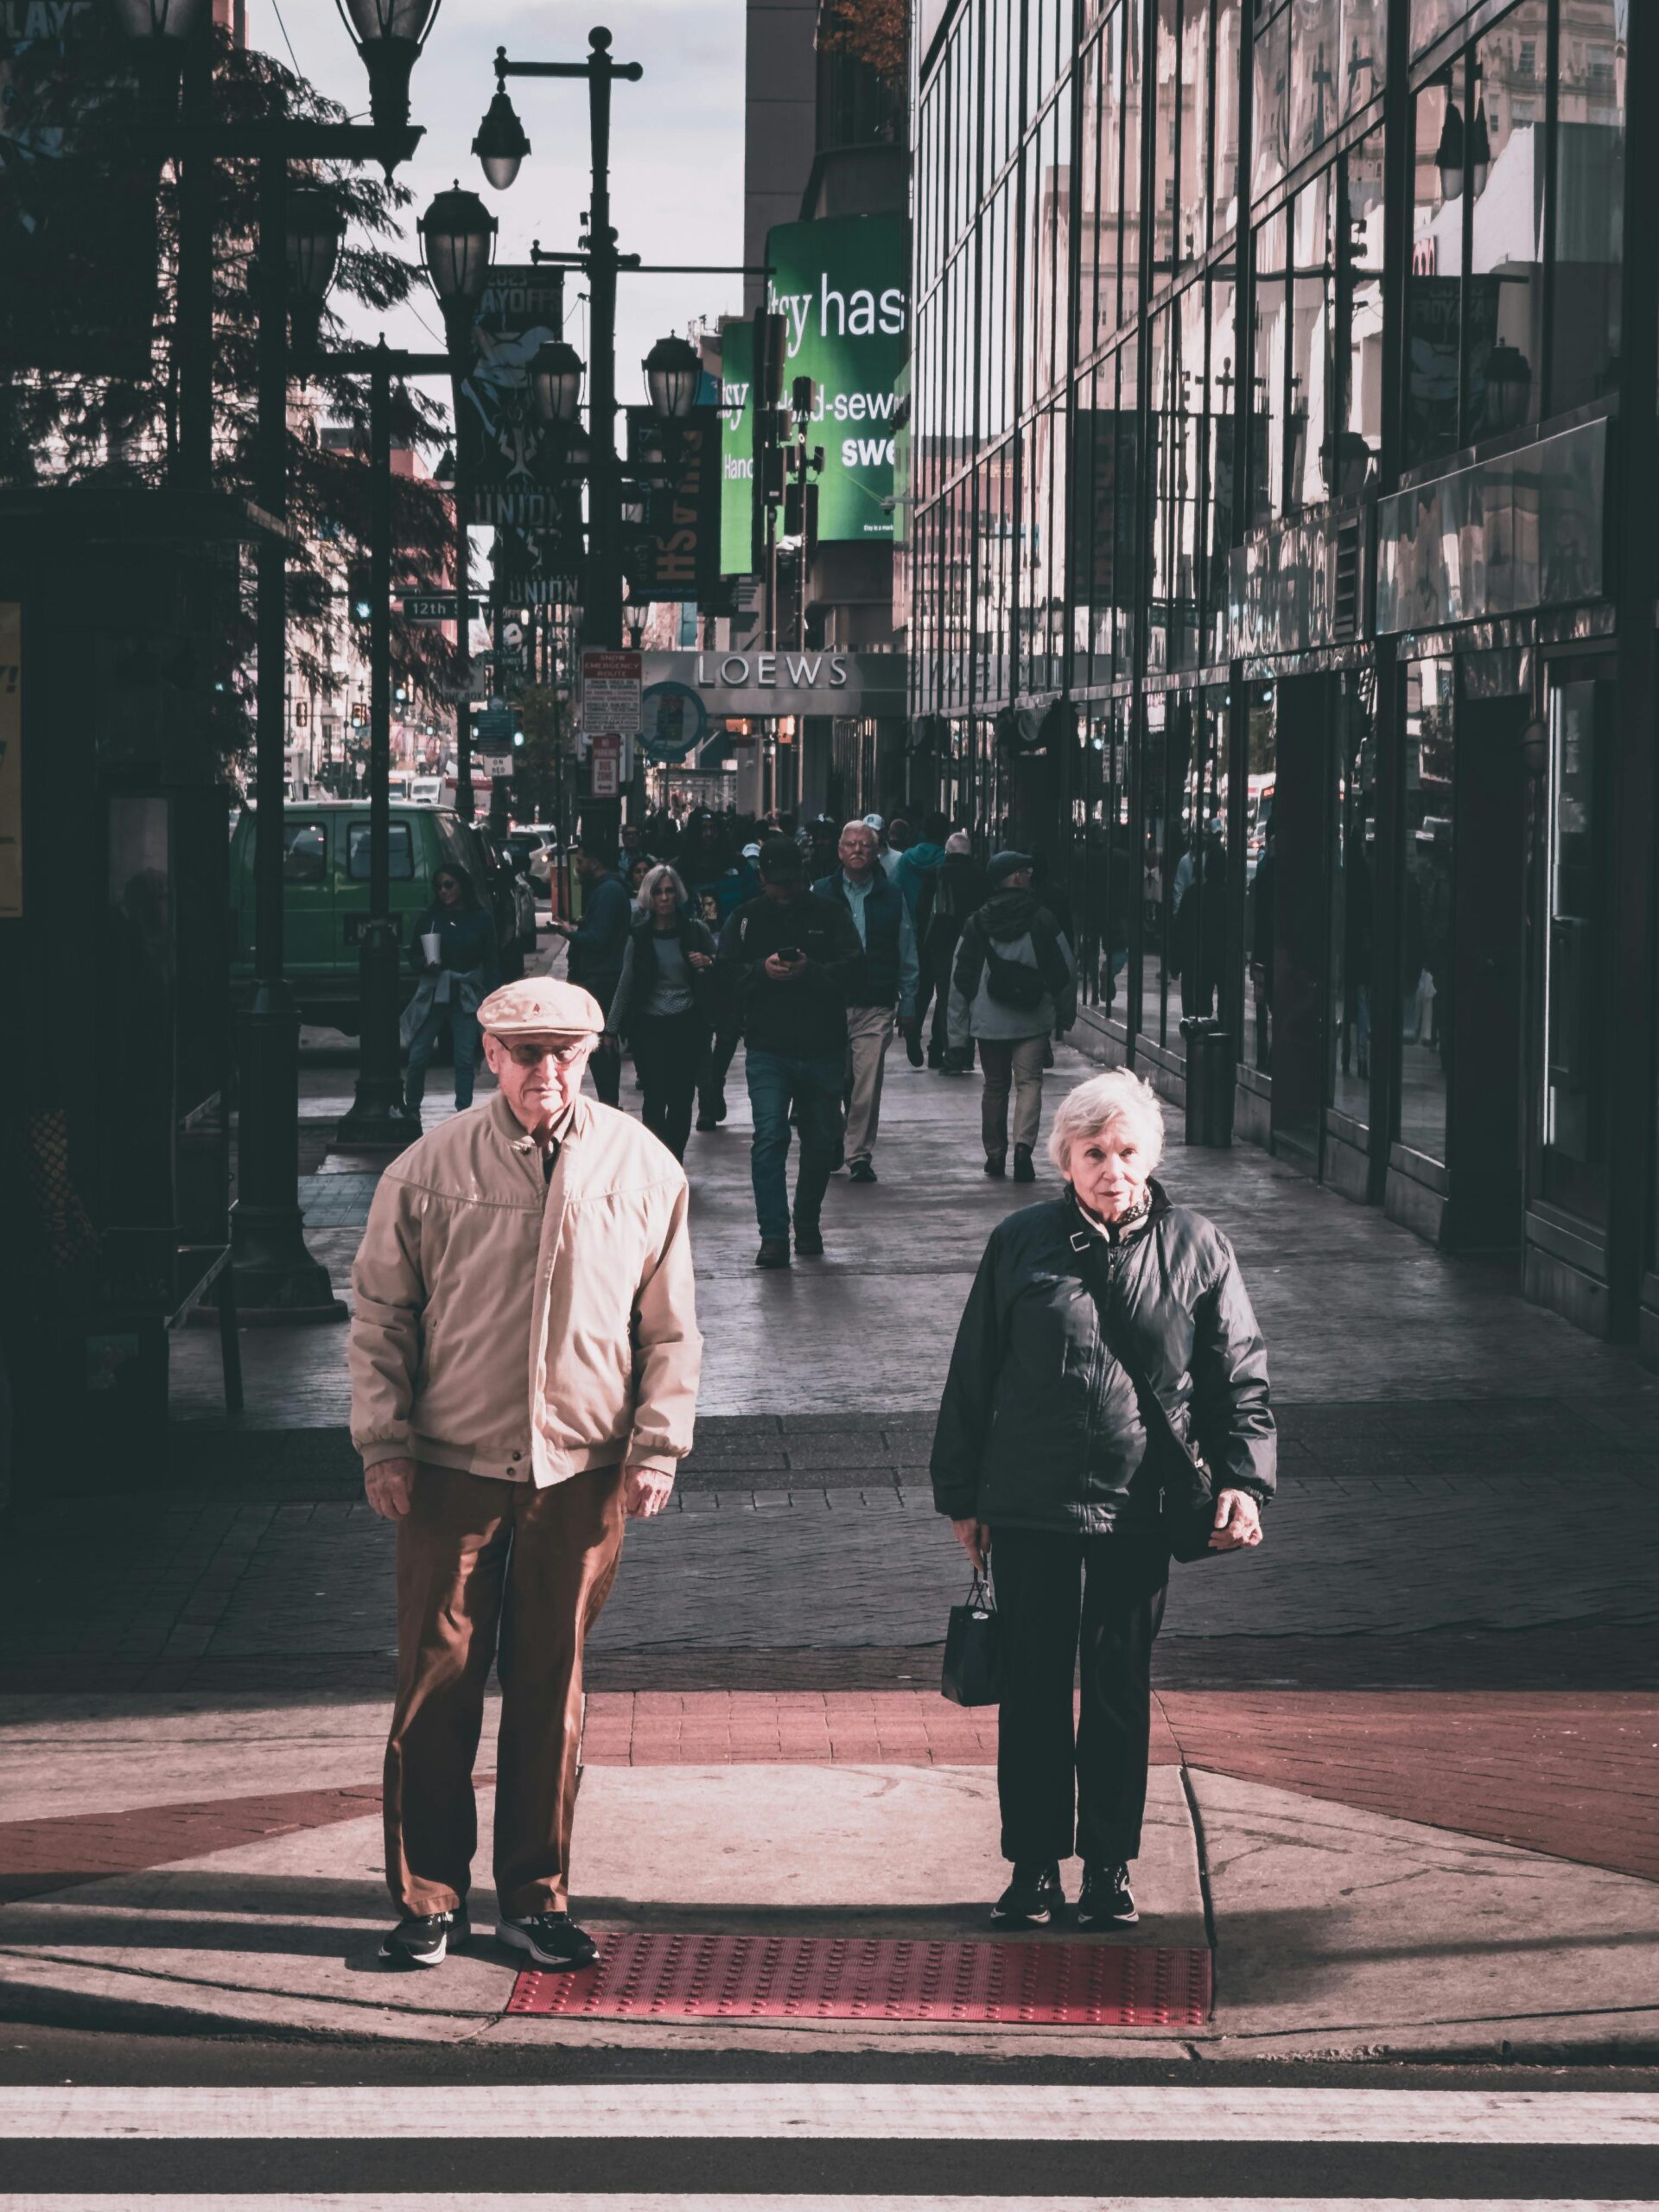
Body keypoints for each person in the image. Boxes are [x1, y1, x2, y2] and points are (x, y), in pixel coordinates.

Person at [352, 977, 702, 1972]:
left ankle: (536, 1898)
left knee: (551, 1685)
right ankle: (429, 1899)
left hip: (582, 1473)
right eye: (526, 1051)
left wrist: (657, 1443)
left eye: (565, 1053)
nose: (546, 1070)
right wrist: (383, 1440)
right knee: (437, 1684)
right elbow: (382, 1315)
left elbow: (670, 1327)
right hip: (449, 1469)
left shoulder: (643, 1167)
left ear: (590, 1057)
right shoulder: (426, 1170)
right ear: (491, 1054)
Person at [930, 1068, 1274, 1931]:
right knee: (1035, 1686)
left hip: (1139, 1505)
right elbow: (972, 1373)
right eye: (1093, 1152)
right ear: (1066, 1159)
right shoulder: (1020, 1242)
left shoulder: (1197, 1246)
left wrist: (1243, 1478)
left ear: (1149, 1157)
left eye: (1126, 1152)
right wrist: (962, 1496)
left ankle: (1110, 1865)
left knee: (1118, 1686)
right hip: (1030, 1504)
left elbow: (1239, 1377)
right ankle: (1034, 1865)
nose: (1111, 1169)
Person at [719, 833, 863, 1268]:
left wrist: (811, 971)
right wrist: (761, 972)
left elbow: (857, 973)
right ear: (762, 878)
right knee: (770, 1137)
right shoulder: (745, 919)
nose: (785, 892)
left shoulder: (830, 914)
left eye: (791, 882)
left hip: (822, 1046)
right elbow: (723, 977)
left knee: (820, 1140)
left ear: (803, 877)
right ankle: (774, 1236)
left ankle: (807, 1223)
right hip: (768, 1047)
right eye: (776, 883)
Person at [947, 850, 1077, 1183]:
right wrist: (1064, 1012)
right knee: (1029, 1082)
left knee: (995, 1086)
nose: (1031, 876)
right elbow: (1066, 968)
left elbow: (960, 979)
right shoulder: (1043, 918)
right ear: (1017, 877)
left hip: (988, 1021)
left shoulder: (976, 922)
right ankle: (1023, 1148)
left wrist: (957, 1035)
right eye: (1027, 871)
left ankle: (995, 1153)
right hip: (1032, 1018)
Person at [812, 819, 918, 1186]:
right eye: (851, 844)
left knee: (866, 1084)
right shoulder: (821, 893)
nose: (858, 850)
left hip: (875, 1003)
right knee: (829, 1080)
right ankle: (834, 1137)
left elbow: (906, 950)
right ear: (840, 851)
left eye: (865, 845)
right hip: (828, 1003)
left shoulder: (891, 896)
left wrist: (909, 1003)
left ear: (876, 854)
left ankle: (859, 1154)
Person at [606, 863, 718, 1161]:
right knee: (655, 1099)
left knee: (681, 1099)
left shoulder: (695, 931)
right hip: (649, 1029)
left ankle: (675, 1159)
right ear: (649, 897)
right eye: (658, 892)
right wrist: (610, 1028)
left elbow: (723, 967)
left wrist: (707, 963)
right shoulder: (639, 938)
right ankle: (657, 1162)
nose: (665, 898)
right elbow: (626, 983)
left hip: (687, 1025)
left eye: (669, 891)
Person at [402, 862, 499, 1117]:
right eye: (439, 887)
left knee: (465, 1058)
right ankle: (411, 1108)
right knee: (418, 1054)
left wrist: (494, 996)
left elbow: (491, 960)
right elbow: (413, 954)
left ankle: (463, 1112)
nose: (443, 891)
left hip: (466, 991)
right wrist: (424, 962)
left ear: (462, 886)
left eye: (448, 885)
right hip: (436, 989)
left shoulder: (480, 918)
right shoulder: (430, 919)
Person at [550, 836, 632, 1106]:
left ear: (594, 861)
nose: (578, 866)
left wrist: (570, 932)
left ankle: (610, 1101)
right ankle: (609, 1099)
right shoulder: (605, 889)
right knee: (598, 1044)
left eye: (582, 860)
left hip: (602, 977)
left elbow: (599, 937)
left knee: (602, 1044)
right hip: (600, 975)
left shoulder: (607, 891)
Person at [915, 830, 990, 1070]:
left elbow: (922, 911)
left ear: (947, 852)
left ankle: (948, 1051)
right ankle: (964, 1052)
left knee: (947, 996)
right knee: (968, 994)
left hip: (942, 944)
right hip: (974, 942)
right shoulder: (982, 877)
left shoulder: (935, 875)